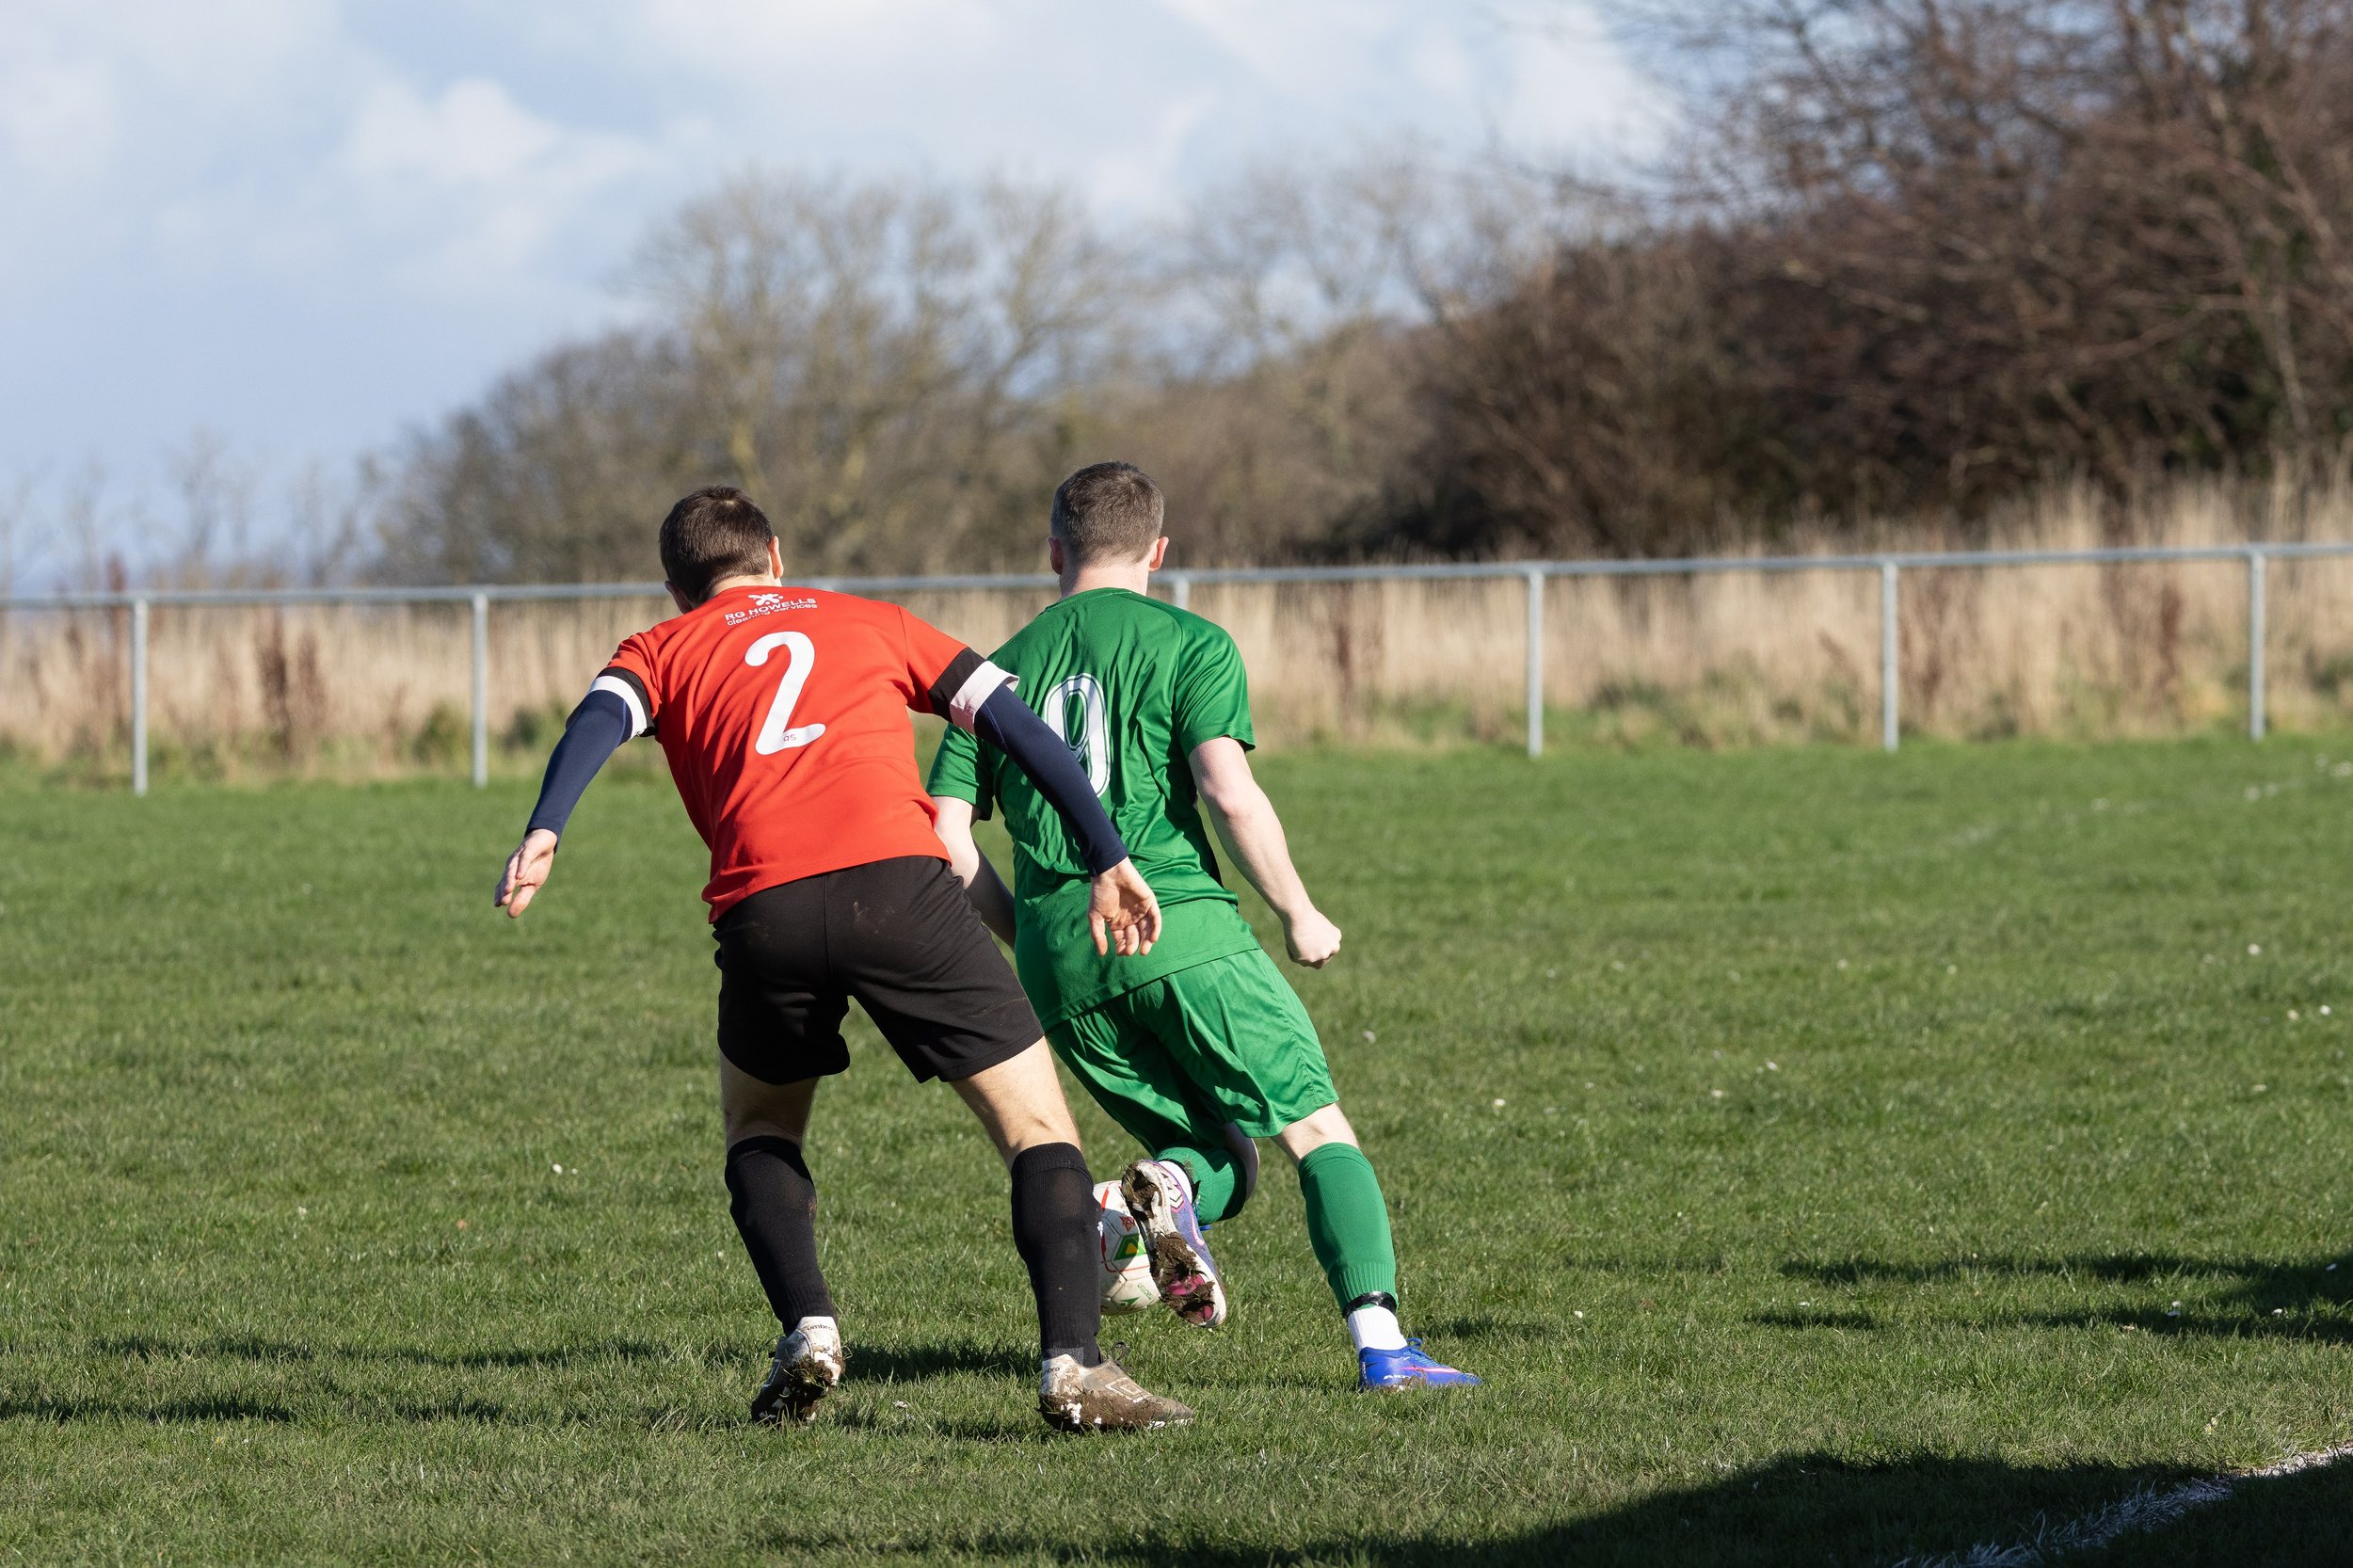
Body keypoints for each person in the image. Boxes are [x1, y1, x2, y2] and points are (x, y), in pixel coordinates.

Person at [493, 485, 1193, 1432]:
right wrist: (1108, 854)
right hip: (898, 892)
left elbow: (595, 723)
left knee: (759, 1128)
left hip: (764, 908)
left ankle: (809, 1327)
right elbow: (1017, 725)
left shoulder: (658, 649)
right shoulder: (867, 620)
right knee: (1036, 1127)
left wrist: (546, 826)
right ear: (774, 555)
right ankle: (1072, 1365)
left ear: (673, 587)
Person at [926, 462, 1480, 1392]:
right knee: (1314, 1127)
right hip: (1177, 923)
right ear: (1158, 549)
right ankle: (1384, 1346)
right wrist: (1298, 910)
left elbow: (945, 839)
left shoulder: (988, 674)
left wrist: (1029, 930)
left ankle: (1127, 1213)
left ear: (1053, 550)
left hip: (1064, 964)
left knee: (1219, 1155)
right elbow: (1227, 790)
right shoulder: (1191, 640)